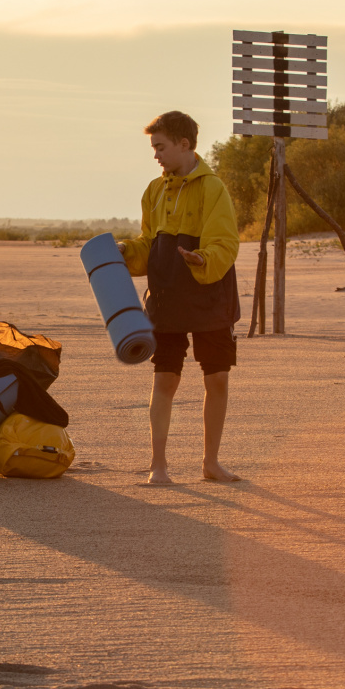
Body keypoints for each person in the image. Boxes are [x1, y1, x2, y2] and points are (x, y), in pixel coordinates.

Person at [119, 111, 242, 484]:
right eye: (154, 147)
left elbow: (226, 242)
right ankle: (159, 466)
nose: (156, 155)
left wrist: (203, 258)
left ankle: (211, 463)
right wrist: (125, 252)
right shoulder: (154, 192)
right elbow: (147, 244)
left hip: (210, 298)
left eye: (161, 146)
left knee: (217, 379)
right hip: (167, 300)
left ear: (184, 144)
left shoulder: (213, 188)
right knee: (165, 381)